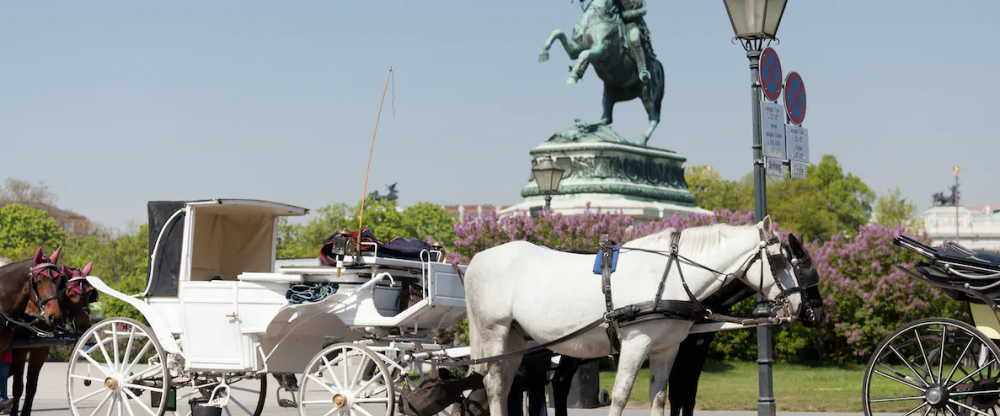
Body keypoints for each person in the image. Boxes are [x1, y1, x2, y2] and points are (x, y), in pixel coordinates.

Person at [616, 0, 653, 83]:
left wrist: (629, 14)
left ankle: (642, 69)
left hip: (633, 23)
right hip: (615, 23)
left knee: (634, 37)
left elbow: (644, 10)